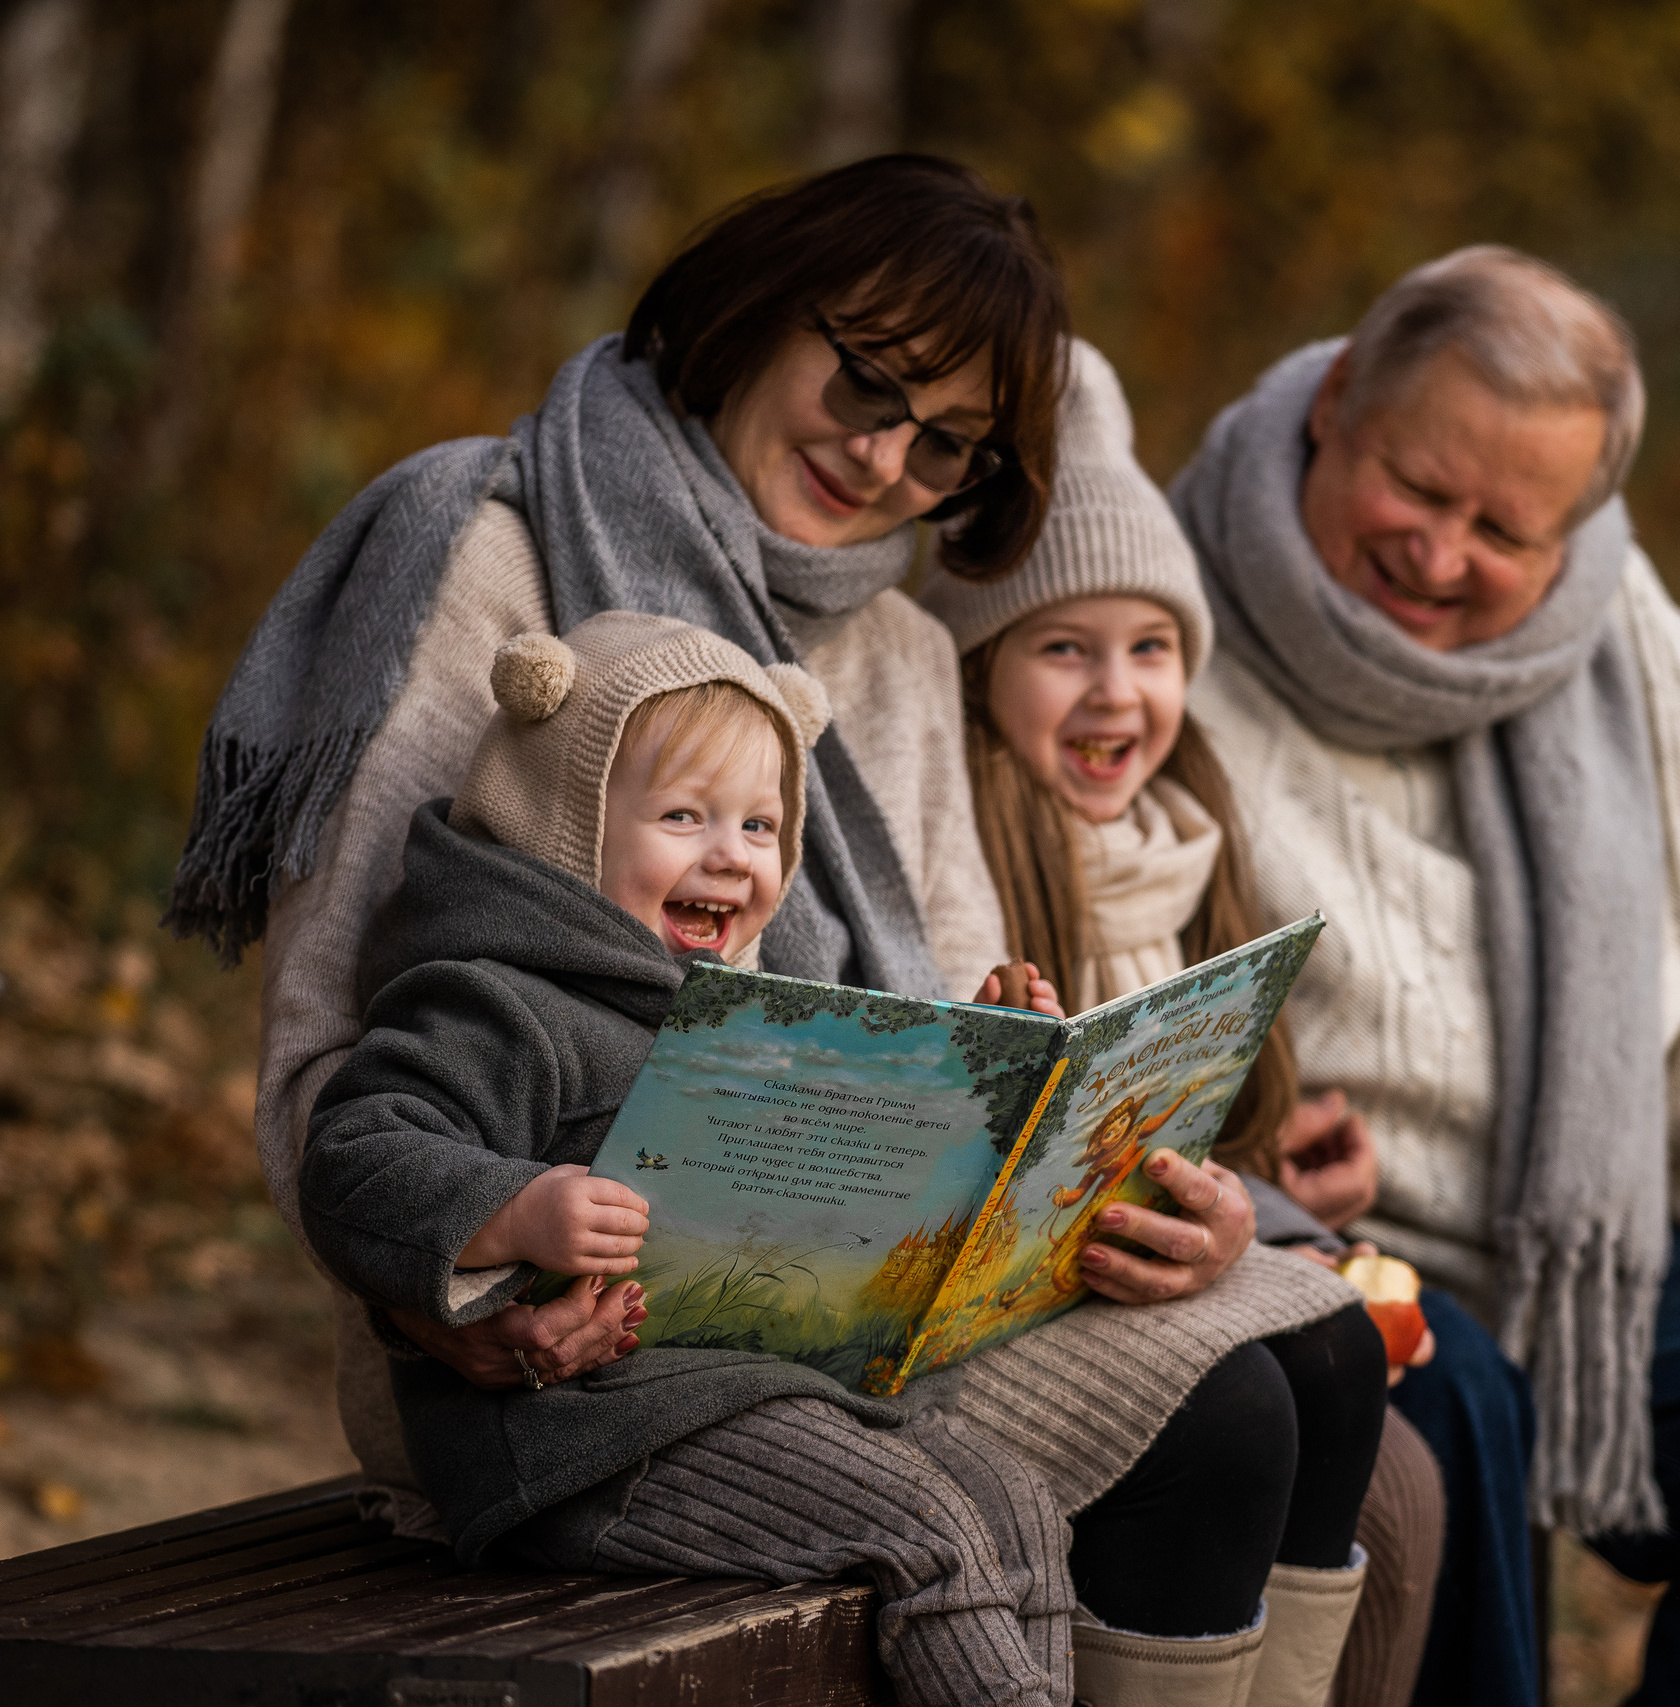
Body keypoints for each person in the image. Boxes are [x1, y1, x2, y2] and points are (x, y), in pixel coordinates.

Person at [169, 155, 1372, 1704]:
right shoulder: (490, 552)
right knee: (1229, 1421)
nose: (883, 459)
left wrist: (1124, 1187)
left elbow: (954, 1049)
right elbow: (336, 1054)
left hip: (863, 1281)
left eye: (948, 444)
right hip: (574, 1349)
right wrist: (454, 1287)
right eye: (868, 383)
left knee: (1330, 1355)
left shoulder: (897, 649)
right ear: (753, 305)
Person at [1171, 246, 1680, 1706]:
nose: (1440, 554)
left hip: (1580, 1234)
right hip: (1295, 1244)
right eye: (1419, 490)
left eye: (1504, 528)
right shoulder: (1163, 613)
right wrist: (1247, 1154)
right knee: (1447, 1394)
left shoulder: (1630, 649)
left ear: (1583, 523)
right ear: (1342, 400)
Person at [300, 613, 1080, 1705]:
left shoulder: (744, 1023)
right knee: (935, 1531)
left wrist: (978, 1067)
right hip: (582, 1442)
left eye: (761, 827)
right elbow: (349, 1159)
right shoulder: (496, 999)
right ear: (566, 828)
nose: (730, 854)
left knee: (1016, 1507)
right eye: (683, 817)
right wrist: (515, 1208)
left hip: (751, 1391)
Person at [917, 339, 1445, 1707]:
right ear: (983, 673)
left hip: (1175, 1243)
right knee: (1256, 1408)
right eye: (1062, 649)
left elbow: (1216, 1118)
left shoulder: (1190, 839)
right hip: (1025, 1289)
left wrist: (1277, 1186)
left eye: (1151, 648)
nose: (1116, 691)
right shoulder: (974, 846)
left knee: (1379, 1357)